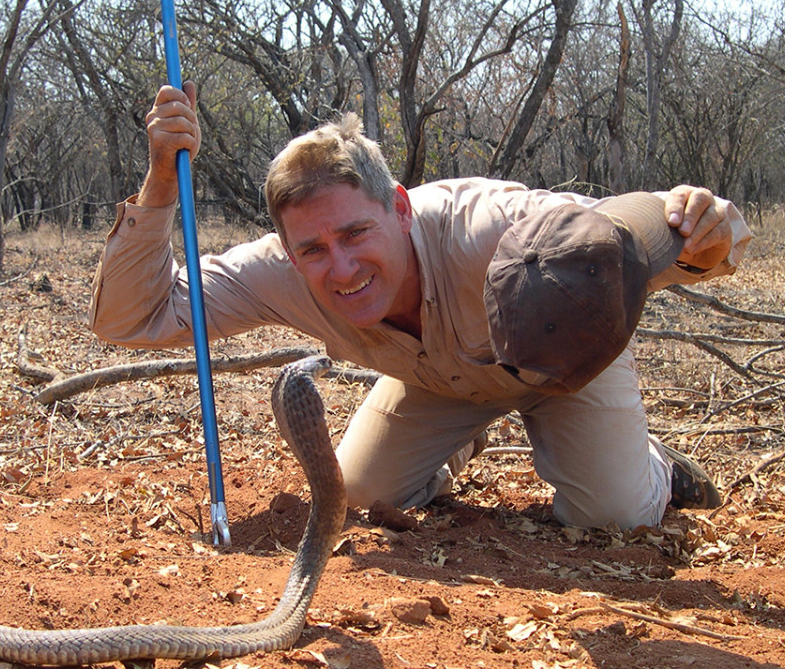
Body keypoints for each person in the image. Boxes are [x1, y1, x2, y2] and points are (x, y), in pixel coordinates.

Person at [89, 83, 751, 530]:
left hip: (560, 356)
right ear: (288, 252)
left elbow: (613, 230)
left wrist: (704, 223)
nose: (340, 268)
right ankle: (461, 441)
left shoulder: (487, 226)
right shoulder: (284, 272)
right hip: (442, 384)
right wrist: (157, 180)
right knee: (359, 498)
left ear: (400, 207)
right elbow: (131, 316)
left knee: (615, 518)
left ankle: (656, 466)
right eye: (313, 249)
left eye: (355, 233)